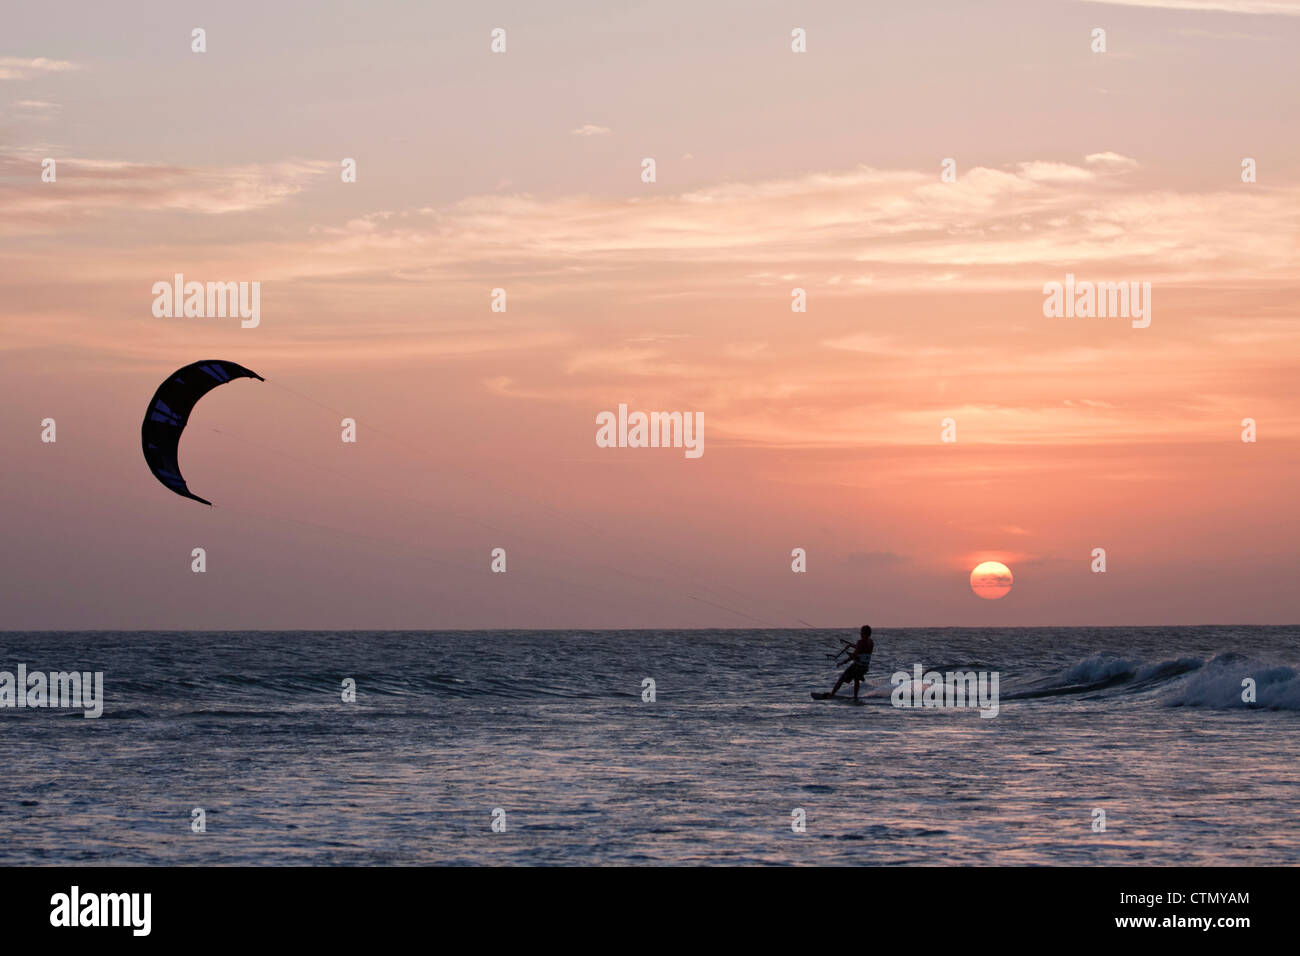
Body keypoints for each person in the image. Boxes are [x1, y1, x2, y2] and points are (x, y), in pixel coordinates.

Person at [827, 625, 874, 700]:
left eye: (862, 632)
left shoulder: (860, 642)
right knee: (856, 680)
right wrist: (850, 645)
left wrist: (842, 662)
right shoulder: (870, 642)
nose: (860, 634)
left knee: (841, 679)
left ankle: (831, 695)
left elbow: (854, 655)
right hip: (864, 666)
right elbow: (862, 649)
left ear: (865, 633)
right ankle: (855, 697)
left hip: (858, 665)